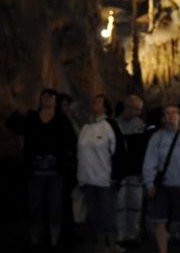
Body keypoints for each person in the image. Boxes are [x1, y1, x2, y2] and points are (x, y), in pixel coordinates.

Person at [6, 88, 77, 250]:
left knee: (55, 207)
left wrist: (62, 158)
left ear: (55, 101)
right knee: (35, 206)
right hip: (35, 172)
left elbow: (71, 141)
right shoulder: (31, 117)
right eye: (44, 95)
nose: (47, 98)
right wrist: (18, 113)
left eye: (51, 96)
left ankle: (53, 242)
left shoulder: (61, 120)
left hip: (56, 173)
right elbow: (12, 125)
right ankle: (34, 241)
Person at [143, 105, 180, 253]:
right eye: (167, 113)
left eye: (174, 113)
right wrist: (149, 182)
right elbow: (150, 160)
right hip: (161, 186)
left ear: (179, 116)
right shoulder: (157, 138)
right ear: (163, 117)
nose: (171, 116)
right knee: (159, 220)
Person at [77, 94, 118, 253]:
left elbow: (118, 152)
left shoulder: (110, 126)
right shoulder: (85, 128)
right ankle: (100, 246)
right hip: (87, 180)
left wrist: (114, 176)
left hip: (104, 180)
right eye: (94, 100)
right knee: (94, 216)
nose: (95, 102)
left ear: (106, 106)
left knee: (107, 215)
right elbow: (79, 153)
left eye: (99, 101)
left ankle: (112, 246)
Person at [115, 95, 147, 246]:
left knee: (135, 206)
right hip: (120, 172)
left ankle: (132, 234)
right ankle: (120, 235)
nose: (139, 112)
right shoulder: (115, 125)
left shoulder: (141, 126)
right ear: (128, 107)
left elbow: (143, 150)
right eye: (136, 109)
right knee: (120, 206)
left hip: (135, 172)